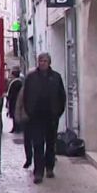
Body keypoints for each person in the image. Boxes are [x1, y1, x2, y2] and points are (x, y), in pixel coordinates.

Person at [22, 52, 66, 184]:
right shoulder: (31, 78)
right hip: (36, 117)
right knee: (38, 144)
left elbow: (62, 96)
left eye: (45, 61)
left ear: (49, 63)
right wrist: (29, 111)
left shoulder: (56, 77)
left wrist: (57, 113)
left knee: (50, 143)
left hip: (51, 117)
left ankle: (49, 167)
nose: (42, 63)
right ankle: (38, 172)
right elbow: (25, 96)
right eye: (40, 61)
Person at [6, 67, 24, 134]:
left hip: (14, 101)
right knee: (13, 114)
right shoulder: (16, 82)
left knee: (14, 114)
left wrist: (9, 98)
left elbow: (13, 93)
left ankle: (17, 127)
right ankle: (15, 127)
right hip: (13, 101)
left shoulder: (17, 82)